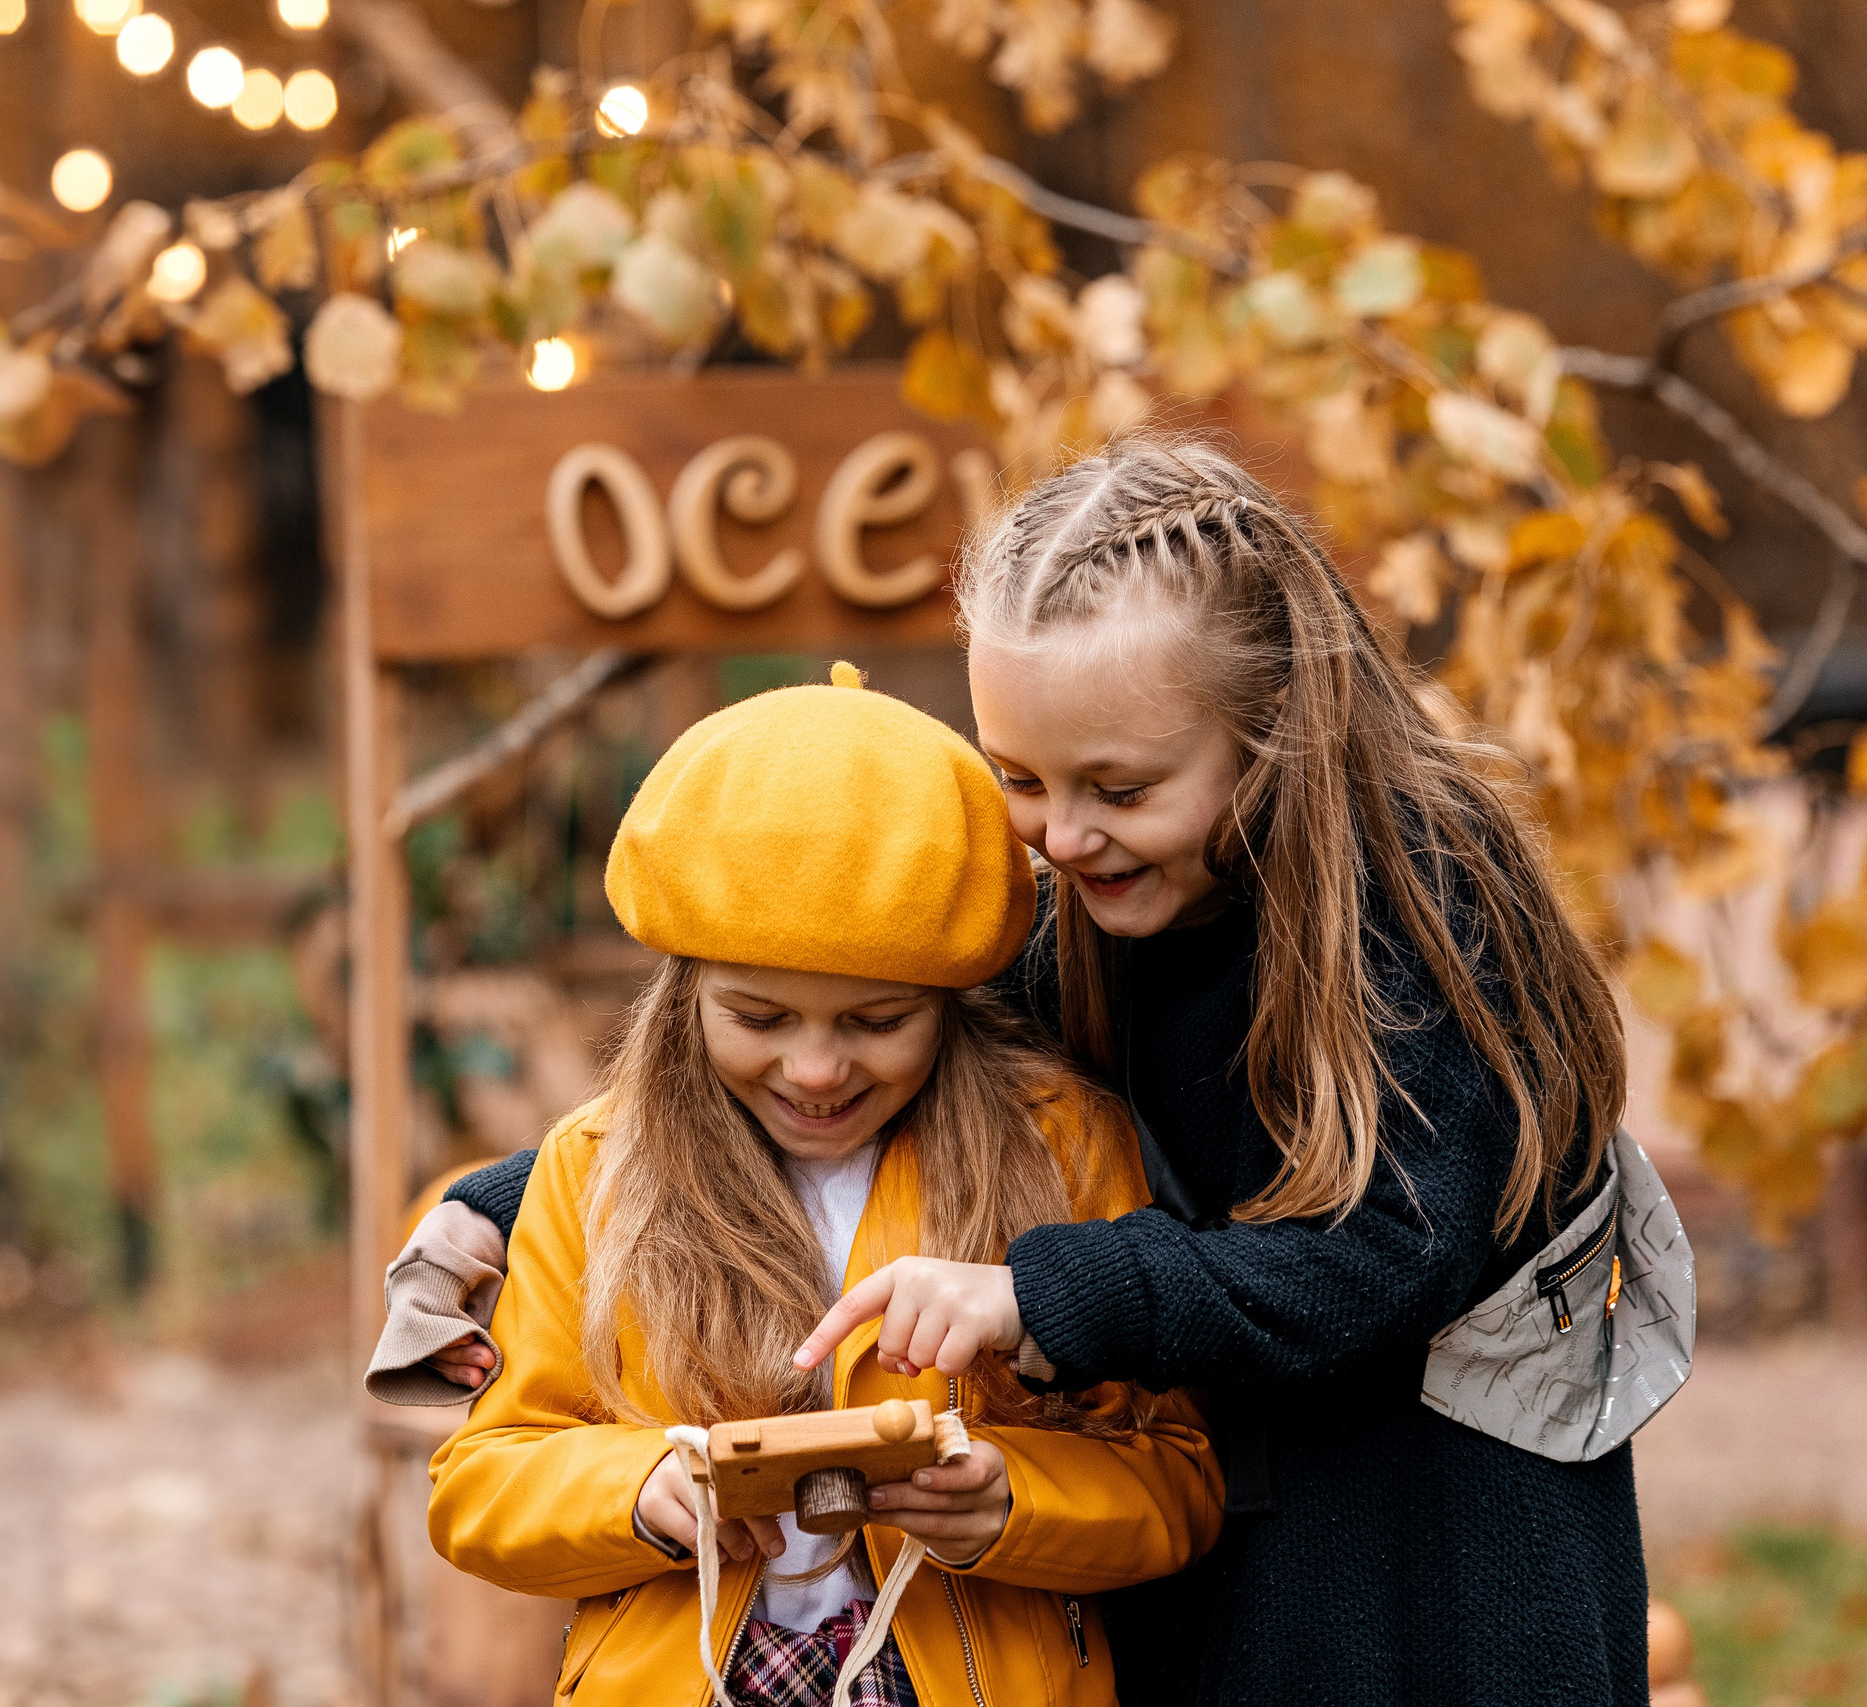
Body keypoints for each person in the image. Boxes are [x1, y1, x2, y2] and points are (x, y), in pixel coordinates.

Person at [386, 438, 1653, 1706]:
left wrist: (1041, 1296)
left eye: (1117, 785)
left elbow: (1382, 1261)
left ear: (1273, 732)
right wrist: (510, 1196)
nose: (1062, 832)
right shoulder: (1098, 902)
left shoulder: (1430, 913)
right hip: (1237, 1492)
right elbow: (847, 1023)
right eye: (1021, 780)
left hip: (1436, 1526)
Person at [423, 669, 1222, 1707]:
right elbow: (483, 1481)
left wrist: (1012, 1502)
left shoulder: (1060, 1147)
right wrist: (638, 1492)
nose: (814, 1070)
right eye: (758, 1019)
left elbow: (1176, 1471)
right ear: (683, 999)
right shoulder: (593, 1169)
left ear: (948, 1000)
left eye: (876, 1023)